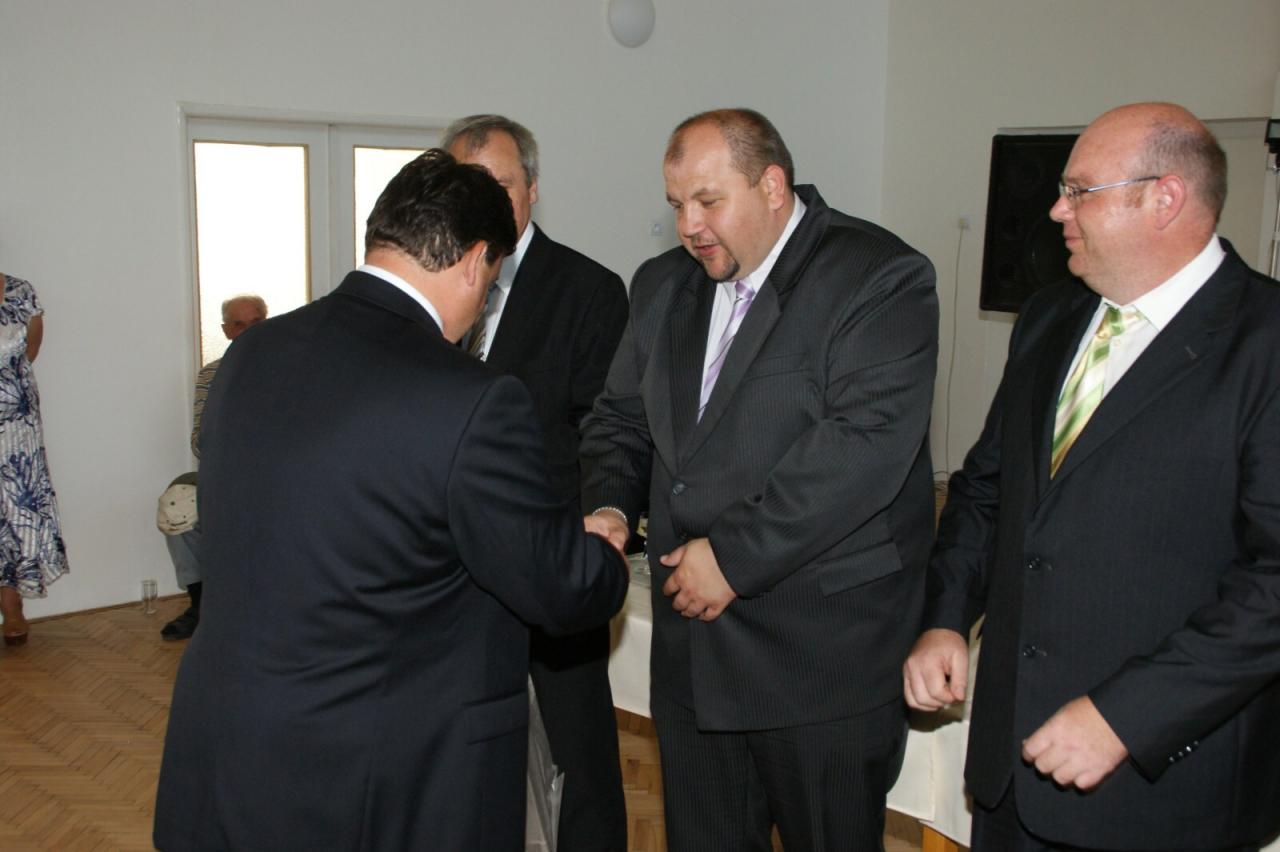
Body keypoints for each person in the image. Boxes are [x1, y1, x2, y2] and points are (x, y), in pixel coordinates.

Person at [153, 149, 629, 852]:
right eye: (490, 282)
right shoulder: (470, 398)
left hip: (229, 751)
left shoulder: (254, 353)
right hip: (375, 781)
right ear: (476, 262)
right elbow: (556, 588)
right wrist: (599, 552)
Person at [903, 102, 1280, 851]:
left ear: (1164, 198)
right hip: (1012, 772)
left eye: (1079, 191)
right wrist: (946, 616)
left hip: (1163, 792)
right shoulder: (1051, 316)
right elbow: (987, 488)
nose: (1056, 210)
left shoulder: (1264, 341)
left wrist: (1127, 716)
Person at [580, 108, 938, 851]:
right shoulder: (661, 286)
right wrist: (610, 507)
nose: (688, 225)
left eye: (709, 200)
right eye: (677, 204)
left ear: (773, 186)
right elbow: (620, 420)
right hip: (693, 656)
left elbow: (861, 449)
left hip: (819, 660)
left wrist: (732, 558)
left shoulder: (877, 276)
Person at [443, 114, 631, 852]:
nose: (485, 199)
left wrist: (577, 547)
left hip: (549, 559)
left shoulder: (588, 290)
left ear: (532, 189)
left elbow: (604, 433)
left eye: (500, 183)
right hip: (453, 569)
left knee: (576, 747)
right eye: (466, 184)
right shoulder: (436, 284)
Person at [159, 294, 267, 641]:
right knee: (177, 502)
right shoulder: (211, 375)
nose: (248, 331)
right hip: (226, 472)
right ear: (226, 330)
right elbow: (198, 441)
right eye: (239, 324)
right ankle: (200, 605)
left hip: (278, 475)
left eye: (256, 323)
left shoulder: (292, 369)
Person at [0, 272, 68, 647]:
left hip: (16, 428)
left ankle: (13, 610)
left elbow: (30, 352)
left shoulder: (20, 291)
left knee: (17, 513)